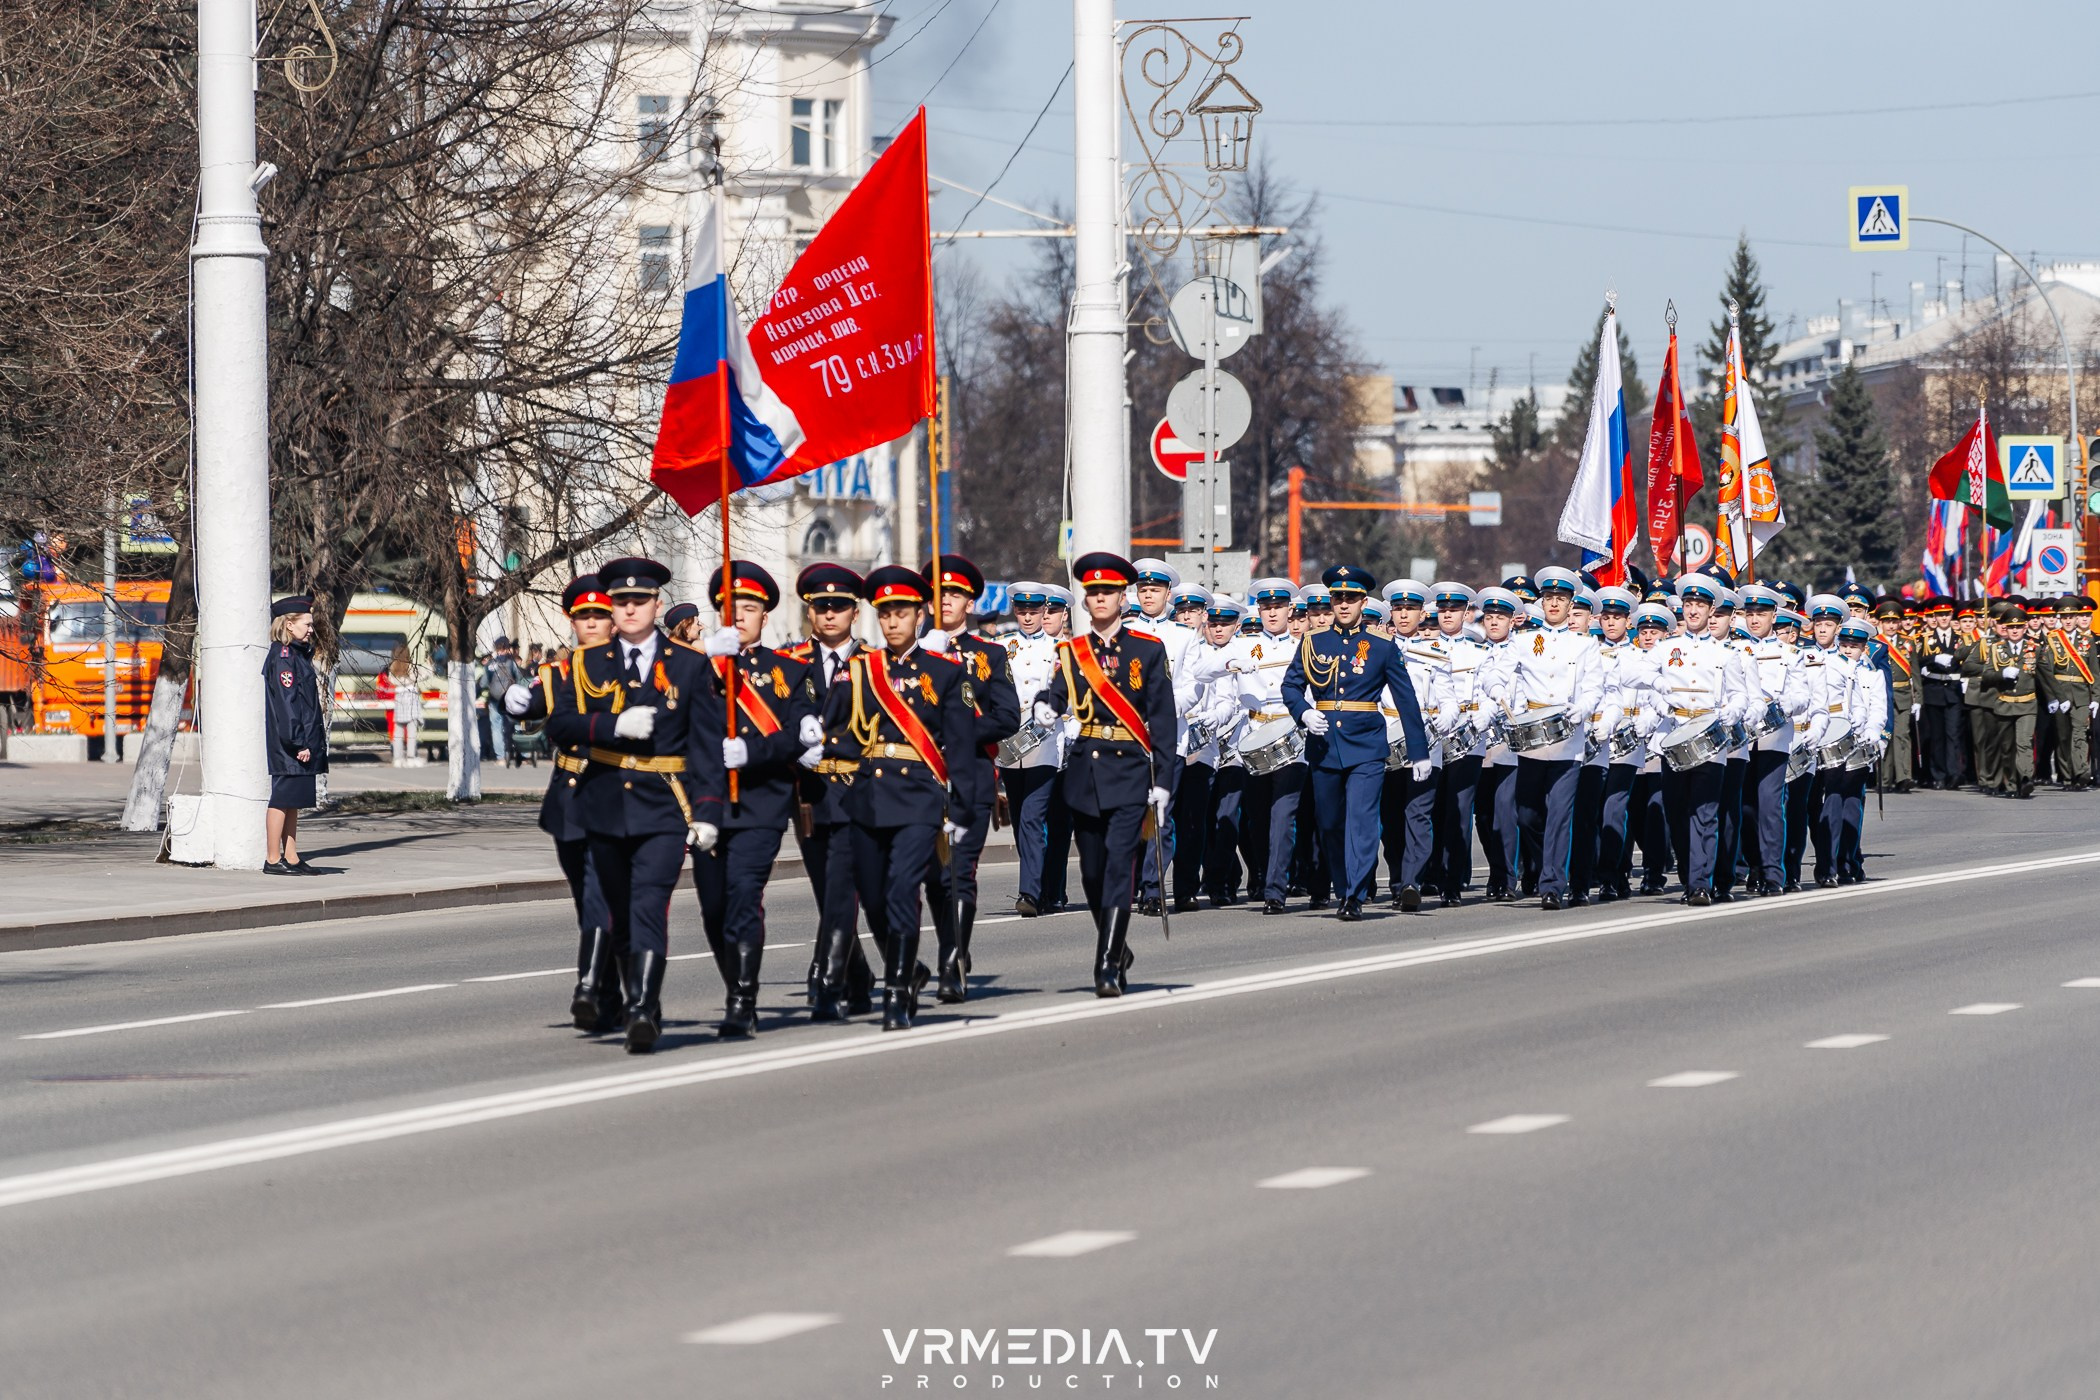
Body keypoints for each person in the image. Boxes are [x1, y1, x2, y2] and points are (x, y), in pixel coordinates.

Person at [543, 556, 727, 1053]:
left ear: (656, 605)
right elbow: (560, 724)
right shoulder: (587, 663)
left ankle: (643, 1006)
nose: (629, 609)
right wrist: (611, 726)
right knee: (618, 916)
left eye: (639, 601)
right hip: (601, 807)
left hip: (663, 807)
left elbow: (707, 748)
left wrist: (709, 812)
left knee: (650, 906)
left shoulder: (688, 665)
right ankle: (633, 997)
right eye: (620, 601)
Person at [821, 565, 979, 1030]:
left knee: (901, 890)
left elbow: (962, 744)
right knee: (871, 898)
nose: (892, 622)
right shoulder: (860, 669)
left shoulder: (945, 672)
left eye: (902, 613)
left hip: (919, 797)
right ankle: (909, 969)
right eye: (885, 613)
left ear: (919, 614)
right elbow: (840, 732)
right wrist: (815, 742)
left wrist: (961, 808)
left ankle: (895, 993)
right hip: (868, 795)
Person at [1036, 552, 1179, 993]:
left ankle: (1105, 965)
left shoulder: (1147, 650)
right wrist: (1047, 703)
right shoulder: (1073, 651)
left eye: (1108, 592)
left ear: (1122, 597)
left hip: (1131, 771)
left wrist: (1163, 781)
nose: (1099, 598)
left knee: (1120, 867)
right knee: (1092, 873)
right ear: (1085, 600)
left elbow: (1164, 720)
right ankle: (1116, 944)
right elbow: (1060, 692)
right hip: (1084, 771)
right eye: (1093, 592)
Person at [692, 561, 812, 1037]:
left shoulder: (788, 671)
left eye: (749, 607)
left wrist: (754, 750)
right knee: (713, 908)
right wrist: (701, 659)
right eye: (728, 607)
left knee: (744, 897)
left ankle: (742, 998)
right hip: (702, 805)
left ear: (765, 616)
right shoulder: (694, 668)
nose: (738, 615)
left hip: (760, 802)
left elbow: (798, 735)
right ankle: (735, 983)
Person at [503, 574, 621, 1031]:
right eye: (583, 616)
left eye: (599, 615)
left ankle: (589, 986)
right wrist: (508, 700)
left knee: (600, 896)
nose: (591, 623)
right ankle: (607, 995)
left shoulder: (632, 667)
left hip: (616, 794)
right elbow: (528, 703)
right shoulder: (559, 673)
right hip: (571, 800)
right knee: (586, 900)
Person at [1282, 564, 1429, 921]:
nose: (1344, 605)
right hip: (1324, 744)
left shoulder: (1381, 645)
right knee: (1330, 823)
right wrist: (1303, 712)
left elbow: (1405, 698)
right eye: (1338, 598)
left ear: (1364, 602)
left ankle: (1354, 895)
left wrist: (1419, 751)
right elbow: (1290, 686)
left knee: (1362, 821)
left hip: (1366, 743)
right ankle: (1343, 881)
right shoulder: (1313, 641)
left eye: (1351, 598)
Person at [921, 554, 1020, 1003]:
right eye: (939, 595)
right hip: (916, 781)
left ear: (969, 602)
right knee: (930, 876)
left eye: (955, 595)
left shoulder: (989, 654)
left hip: (969, 778)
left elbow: (1007, 717)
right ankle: (946, 949)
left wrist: (956, 731)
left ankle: (952, 961)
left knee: (959, 873)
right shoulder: (903, 654)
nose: (946, 602)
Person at [780, 563, 878, 1021]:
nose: (830, 615)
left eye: (839, 606)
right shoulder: (791, 664)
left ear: (854, 613)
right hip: (809, 797)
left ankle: (825, 977)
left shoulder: (874, 664)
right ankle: (861, 978)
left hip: (859, 793)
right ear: (811, 613)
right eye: (822, 607)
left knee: (842, 888)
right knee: (828, 891)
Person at [1479, 566, 1600, 910]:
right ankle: (1544, 864)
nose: (1554, 605)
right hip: (1531, 737)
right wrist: (1497, 686)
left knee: (1560, 815)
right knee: (1528, 814)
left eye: (1561, 600)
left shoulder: (1585, 645)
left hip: (1567, 737)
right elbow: (1497, 673)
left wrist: (1584, 708)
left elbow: (1593, 686)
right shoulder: (1521, 642)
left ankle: (1552, 885)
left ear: (1570, 603)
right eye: (1549, 599)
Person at [999, 582, 1067, 918]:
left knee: (1032, 818)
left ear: (1045, 611)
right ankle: (1038, 887)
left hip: (1044, 745)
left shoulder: (1061, 649)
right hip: (1010, 747)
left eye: (1034, 611)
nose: (1028, 617)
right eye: (1022, 611)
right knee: (1018, 820)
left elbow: (1069, 695)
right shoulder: (1000, 646)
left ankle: (1031, 892)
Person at [263, 595, 328, 875]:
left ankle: (291, 856)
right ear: (289, 625)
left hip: (300, 741)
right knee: (281, 799)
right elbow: (288, 705)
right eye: (307, 624)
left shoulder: (297, 655)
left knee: (293, 802)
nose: (311, 628)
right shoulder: (284, 657)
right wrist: (298, 742)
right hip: (290, 743)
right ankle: (272, 859)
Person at [1961, 598, 2040, 798]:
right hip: (1987, 697)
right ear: (1994, 623)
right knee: (1991, 743)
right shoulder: (1986, 643)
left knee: (2017, 743)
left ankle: (2012, 781)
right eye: (1999, 621)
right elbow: (1968, 666)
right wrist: (1999, 671)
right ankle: (1990, 780)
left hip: (2015, 700)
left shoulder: (2026, 644)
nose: (2006, 628)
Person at [2038, 595, 2095, 790]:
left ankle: (2081, 772)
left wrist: (2095, 697)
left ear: (2077, 618)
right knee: (2063, 737)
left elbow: (2094, 672)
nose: (2068, 620)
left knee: (2079, 734)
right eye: (2064, 617)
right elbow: (2048, 672)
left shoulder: (2087, 641)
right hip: (2060, 692)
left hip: (2080, 694)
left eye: (2072, 616)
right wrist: (2054, 698)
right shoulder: (2053, 639)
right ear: (2060, 619)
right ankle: (2067, 776)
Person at [485, 637, 527, 767]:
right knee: (516, 724)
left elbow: (483, 682)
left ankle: (501, 757)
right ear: (507, 648)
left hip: (494, 700)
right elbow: (519, 678)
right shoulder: (512, 663)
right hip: (509, 699)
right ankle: (523, 755)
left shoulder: (491, 664)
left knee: (496, 727)